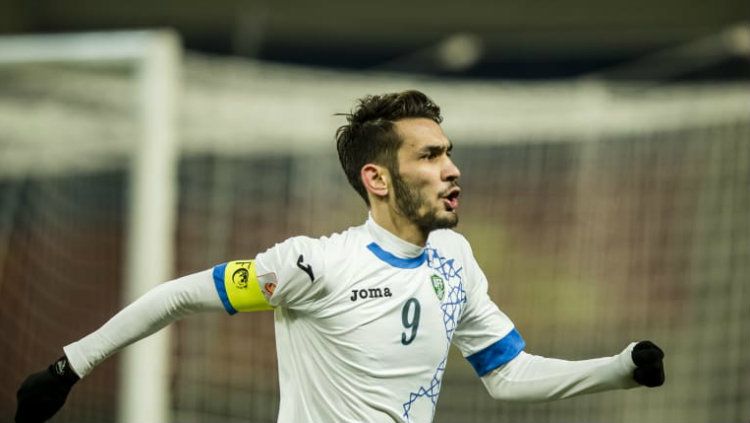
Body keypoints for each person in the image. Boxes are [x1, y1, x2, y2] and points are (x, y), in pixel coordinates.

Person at [15, 90, 665, 423]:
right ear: (379, 179)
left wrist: (619, 368)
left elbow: (506, 371)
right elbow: (182, 293)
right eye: (431, 156)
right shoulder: (311, 266)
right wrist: (69, 366)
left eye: (449, 152)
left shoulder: (455, 260)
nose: (452, 168)